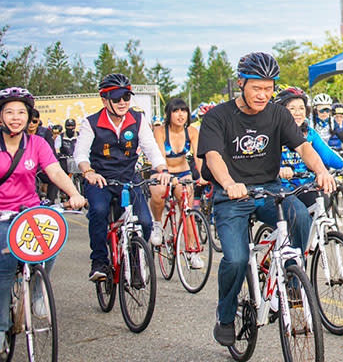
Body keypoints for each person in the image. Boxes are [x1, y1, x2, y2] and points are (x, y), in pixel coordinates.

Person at [197, 52, 336, 348]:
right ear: (240, 84)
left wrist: (322, 171)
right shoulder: (217, 117)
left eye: (268, 88)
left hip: (270, 189)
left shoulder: (278, 114)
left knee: (299, 215)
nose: (263, 94)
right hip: (232, 195)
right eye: (256, 88)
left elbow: (303, 147)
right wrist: (230, 184)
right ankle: (225, 315)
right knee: (235, 259)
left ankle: (293, 284)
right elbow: (213, 157)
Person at [0, 88, 85, 347]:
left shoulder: (37, 144)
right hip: (2, 216)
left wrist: (74, 194)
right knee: (3, 271)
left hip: (29, 212)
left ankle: (38, 288)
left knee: (51, 239)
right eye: (9, 112)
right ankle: (2, 328)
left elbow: (55, 172)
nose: (16, 118)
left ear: (29, 117)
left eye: (21, 113)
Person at [74, 73, 171, 282]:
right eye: (116, 98)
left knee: (144, 222)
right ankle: (99, 261)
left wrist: (161, 169)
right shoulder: (91, 123)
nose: (122, 103)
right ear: (104, 100)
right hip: (100, 179)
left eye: (126, 97)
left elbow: (150, 147)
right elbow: (80, 154)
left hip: (129, 178)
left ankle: (136, 262)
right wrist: (88, 171)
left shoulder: (138, 119)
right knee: (98, 211)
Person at [274, 86, 343, 209]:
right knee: (297, 214)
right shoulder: (274, 133)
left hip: (307, 185)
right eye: (292, 109)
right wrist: (280, 170)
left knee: (325, 204)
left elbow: (326, 153)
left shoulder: (310, 133)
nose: (298, 113)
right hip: (283, 187)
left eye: (301, 108)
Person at [148, 98, 204, 267]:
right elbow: (160, 154)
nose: (181, 115)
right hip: (161, 171)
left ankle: (192, 250)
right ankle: (157, 224)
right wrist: (165, 173)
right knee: (158, 193)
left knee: (187, 207)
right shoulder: (160, 131)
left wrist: (202, 175)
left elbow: (198, 156)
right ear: (168, 114)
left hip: (183, 172)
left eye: (184, 111)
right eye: (176, 111)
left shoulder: (192, 132)